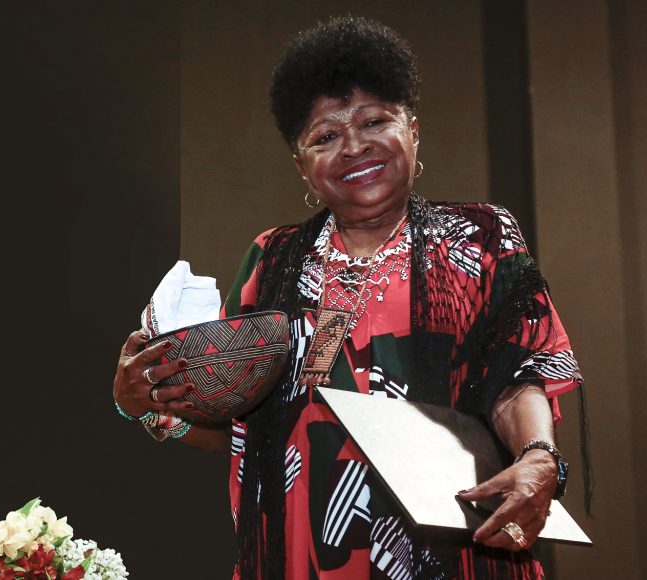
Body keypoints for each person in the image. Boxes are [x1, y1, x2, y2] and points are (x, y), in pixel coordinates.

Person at [113, 16, 584, 580]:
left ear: (412, 129)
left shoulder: (479, 238)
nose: (354, 146)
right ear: (302, 165)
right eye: (325, 136)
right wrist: (147, 400)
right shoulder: (274, 259)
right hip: (302, 551)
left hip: (452, 548)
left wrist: (538, 456)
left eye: (374, 120)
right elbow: (237, 424)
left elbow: (518, 376)